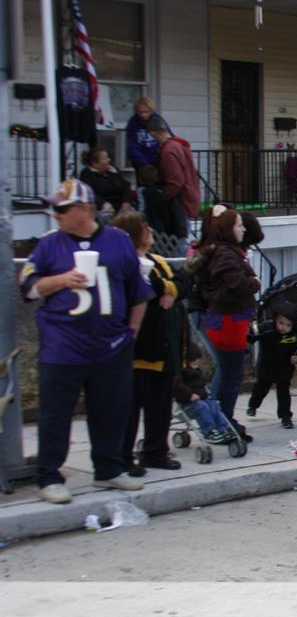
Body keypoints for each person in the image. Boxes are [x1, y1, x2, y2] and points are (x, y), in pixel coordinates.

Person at [19, 179, 151, 503]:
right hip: (62, 346)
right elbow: (28, 287)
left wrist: (131, 332)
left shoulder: (118, 241)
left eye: (62, 208)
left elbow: (138, 292)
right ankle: (49, 474)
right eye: (54, 208)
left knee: (111, 410)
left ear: (85, 209)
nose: (56, 214)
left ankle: (108, 470)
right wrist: (61, 280)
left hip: (111, 345)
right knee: (55, 414)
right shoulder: (50, 245)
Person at [113, 210, 191, 475]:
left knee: (159, 405)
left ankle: (155, 452)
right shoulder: (125, 264)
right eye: (145, 228)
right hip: (139, 349)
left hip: (164, 346)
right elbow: (151, 287)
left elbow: (184, 281)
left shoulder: (156, 260)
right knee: (130, 407)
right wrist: (166, 287)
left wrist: (171, 289)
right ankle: (123, 456)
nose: (150, 231)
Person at [198, 206, 260, 441]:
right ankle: (220, 421)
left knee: (232, 375)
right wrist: (254, 282)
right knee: (229, 375)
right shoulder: (224, 254)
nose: (242, 228)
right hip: (226, 321)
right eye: (238, 225)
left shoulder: (231, 251)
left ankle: (225, 419)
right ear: (226, 229)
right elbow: (237, 285)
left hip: (233, 319)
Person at [246, 302, 297, 429]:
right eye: (281, 323)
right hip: (267, 365)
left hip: (285, 367)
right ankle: (253, 406)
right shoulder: (267, 328)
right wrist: (251, 332)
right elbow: (253, 335)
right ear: (275, 320)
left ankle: (285, 416)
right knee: (261, 388)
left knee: (284, 393)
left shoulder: (295, 334)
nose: (283, 327)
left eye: (288, 325)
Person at [147, 117, 201, 228]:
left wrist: (163, 197)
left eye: (152, 136)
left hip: (180, 203)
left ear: (155, 133)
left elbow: (176, 181)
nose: (153, 140)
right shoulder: (180, 144)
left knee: (179, 241)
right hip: (189, 196)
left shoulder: (168, 151)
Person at [173, 349, 236, 444]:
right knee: (202, 407)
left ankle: (223, 428)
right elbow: (178, 386)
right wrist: (189, 395)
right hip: (187, 402)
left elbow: (202, 386)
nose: (196, 364)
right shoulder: (179, 373)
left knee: (214, 405)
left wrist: (204, 394)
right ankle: (208, 431)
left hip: (201, 398)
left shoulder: (197, 372)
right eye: (193, 361)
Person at [78, 146, 133, 215]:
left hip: (121, 206)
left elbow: (126, 185)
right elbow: (89, 192)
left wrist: (126, 202)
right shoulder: (87, 174)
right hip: (102, 208)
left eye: (107, 157)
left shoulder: (113, 170)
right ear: (95, 163)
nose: (109, 160)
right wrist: (103, 204)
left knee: (133, 217)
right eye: (105, 158)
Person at [126, 96, 170, 171]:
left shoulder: (157, 120)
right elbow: (133, 146)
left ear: (151, 110)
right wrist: (144, 164)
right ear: (136, 111)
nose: (143, 115)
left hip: (157, 159)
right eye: (141, 112)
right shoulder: (133, 123)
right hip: (140, 161)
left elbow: (167, 137)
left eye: (146, 112)